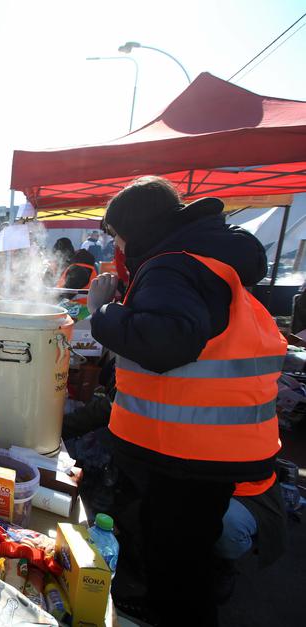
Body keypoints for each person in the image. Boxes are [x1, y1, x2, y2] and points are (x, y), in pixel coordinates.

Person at [88, 175, 284, 625]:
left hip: (195, 446)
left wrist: (105, 311)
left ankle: (173, 611)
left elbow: (167, 341)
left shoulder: (171, 264)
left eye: (118, 232)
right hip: (204, 442)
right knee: (171, 546)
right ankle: (160, 606)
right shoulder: (200, 257)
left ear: (137, 227)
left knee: (179, 559)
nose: (116, 242)